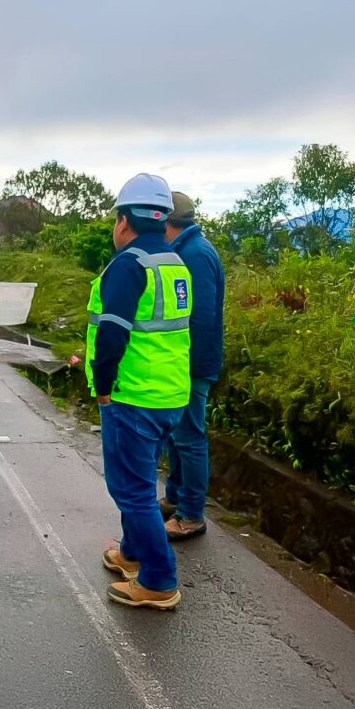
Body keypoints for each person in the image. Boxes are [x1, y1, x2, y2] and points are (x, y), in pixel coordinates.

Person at [86, 173, 192, 610]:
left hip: (133, 396)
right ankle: (132, 553)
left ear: (124, 221)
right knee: (141, 479)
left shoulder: (128, 266)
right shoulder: (174, 262)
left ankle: (158, 579)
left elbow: (112, 335)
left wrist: (104, 388)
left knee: (131, 489)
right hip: (170, 396)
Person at [160, 192, 226, 540]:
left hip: (192, 362)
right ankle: (175, 499)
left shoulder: (194, 255)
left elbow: (199, 318)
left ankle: (191, 514)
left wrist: (183, 363)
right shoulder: (188, 249)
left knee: (189, 436)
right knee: (177, 434)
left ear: (165, 220)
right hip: (186, 361)